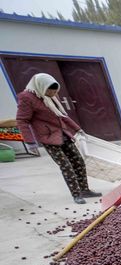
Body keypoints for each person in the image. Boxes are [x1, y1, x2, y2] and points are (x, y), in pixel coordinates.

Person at [16, 73, 101, 204]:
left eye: (56, 90)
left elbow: (62, 115)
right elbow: (22, 120)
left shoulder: (51, 96)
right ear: (42, 87)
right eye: (51, 90)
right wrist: (30, 141)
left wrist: (77, 129)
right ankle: (76, 194)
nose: (54, 93)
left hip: (63, 134)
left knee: (78, 161)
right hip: (48, 138)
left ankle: (84, 190)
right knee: (66, 166)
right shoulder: (27, 98)